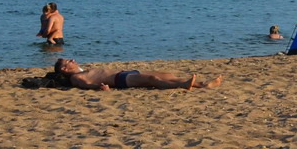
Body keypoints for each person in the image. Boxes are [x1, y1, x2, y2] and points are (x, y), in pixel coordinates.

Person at [50, 57, 218, 91]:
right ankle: (182, 84)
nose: (72, 60)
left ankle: (203, 85)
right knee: (153, 79)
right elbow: (86, 85)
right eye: (68, 62)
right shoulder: (76, 77)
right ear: (64, 69)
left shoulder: (80, 70)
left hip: (125, 73)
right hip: (120, 79)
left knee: (167, 74)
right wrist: (100, 87)